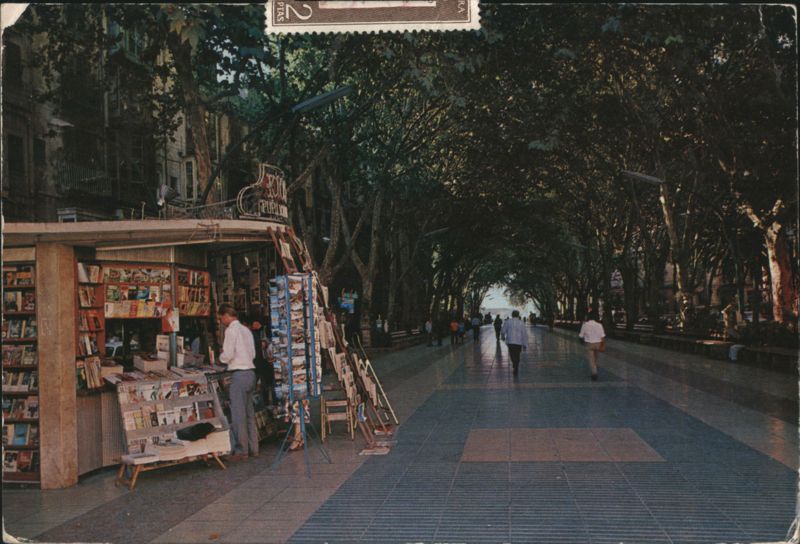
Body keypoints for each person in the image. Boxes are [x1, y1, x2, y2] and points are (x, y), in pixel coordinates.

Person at [217, 304, 258, 460]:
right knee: (249, 413)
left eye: (221, 318)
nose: (221, 322)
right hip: (250, 373)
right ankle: (254, 447)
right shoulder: (246, 330)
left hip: (239, 375)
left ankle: (242, 450)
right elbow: (253, 353)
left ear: (227, 315)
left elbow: (227, 354)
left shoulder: (231, 330)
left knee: (238, 414)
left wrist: (221, 358)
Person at [578, 311, 605, 381]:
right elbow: (602, 337)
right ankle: (595, 368)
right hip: (598, 344)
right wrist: (603, 345)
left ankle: (594, 372)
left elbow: (580, 336)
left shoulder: (585, 325)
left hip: (589, 344)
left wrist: (582, 342)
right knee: (595, 358)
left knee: (591, 359)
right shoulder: (599, 325)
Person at [501, 310, 528, 376]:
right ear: (518, 315)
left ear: (512, 315)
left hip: (510, 341)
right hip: (519, 342)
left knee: (512, 354)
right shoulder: (521, 323)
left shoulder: (507, 322)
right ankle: (516, 365)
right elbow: (524, 334)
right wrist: (525, 344)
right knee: (517, 354)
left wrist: (503, 337)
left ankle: (514, 364)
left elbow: (503, 330)